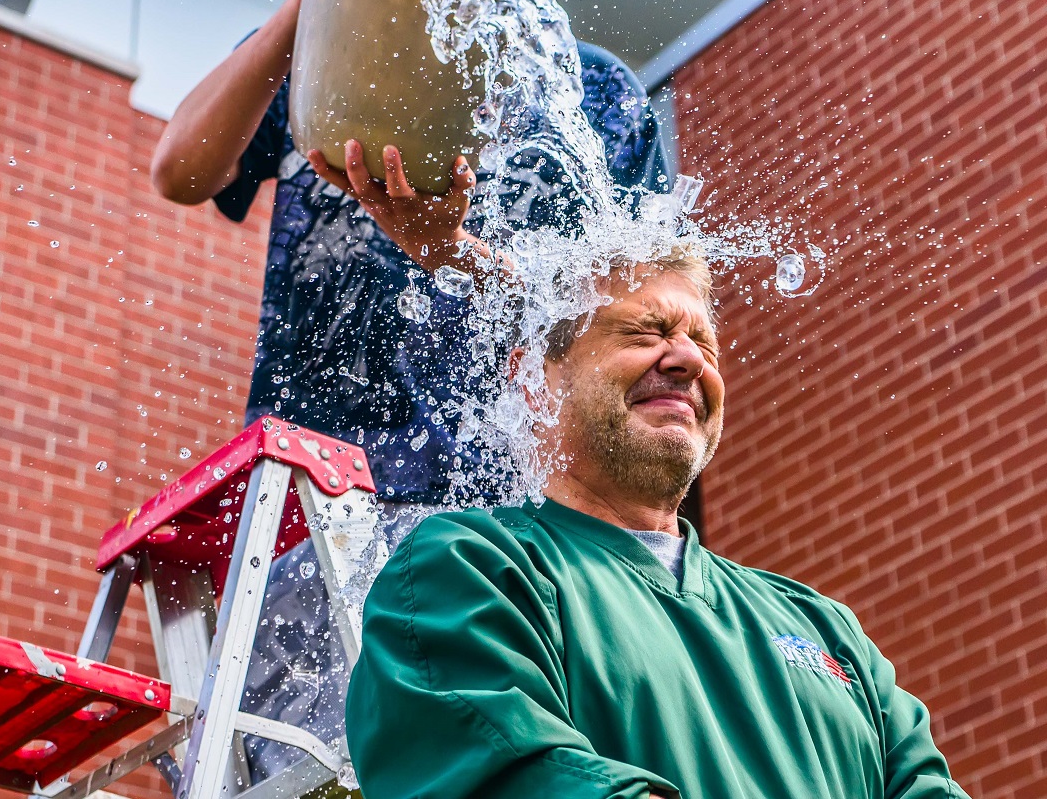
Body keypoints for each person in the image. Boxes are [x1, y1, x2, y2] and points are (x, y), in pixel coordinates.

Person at [146, 0, 674, 776]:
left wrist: (452, 251)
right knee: (314, 779)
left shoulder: (600, 97)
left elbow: (619, 317)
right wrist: (307, 2)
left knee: (491, 779)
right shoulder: (353, 16)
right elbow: (181, 170)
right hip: (319, 509)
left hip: (509, 516)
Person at [346, 253, 968, 798]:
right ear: (536, 381)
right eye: (646, 332)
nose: (689, 360)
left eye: (707, 345)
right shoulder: (472, 568)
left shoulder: (826, 628)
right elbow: (503, 774)